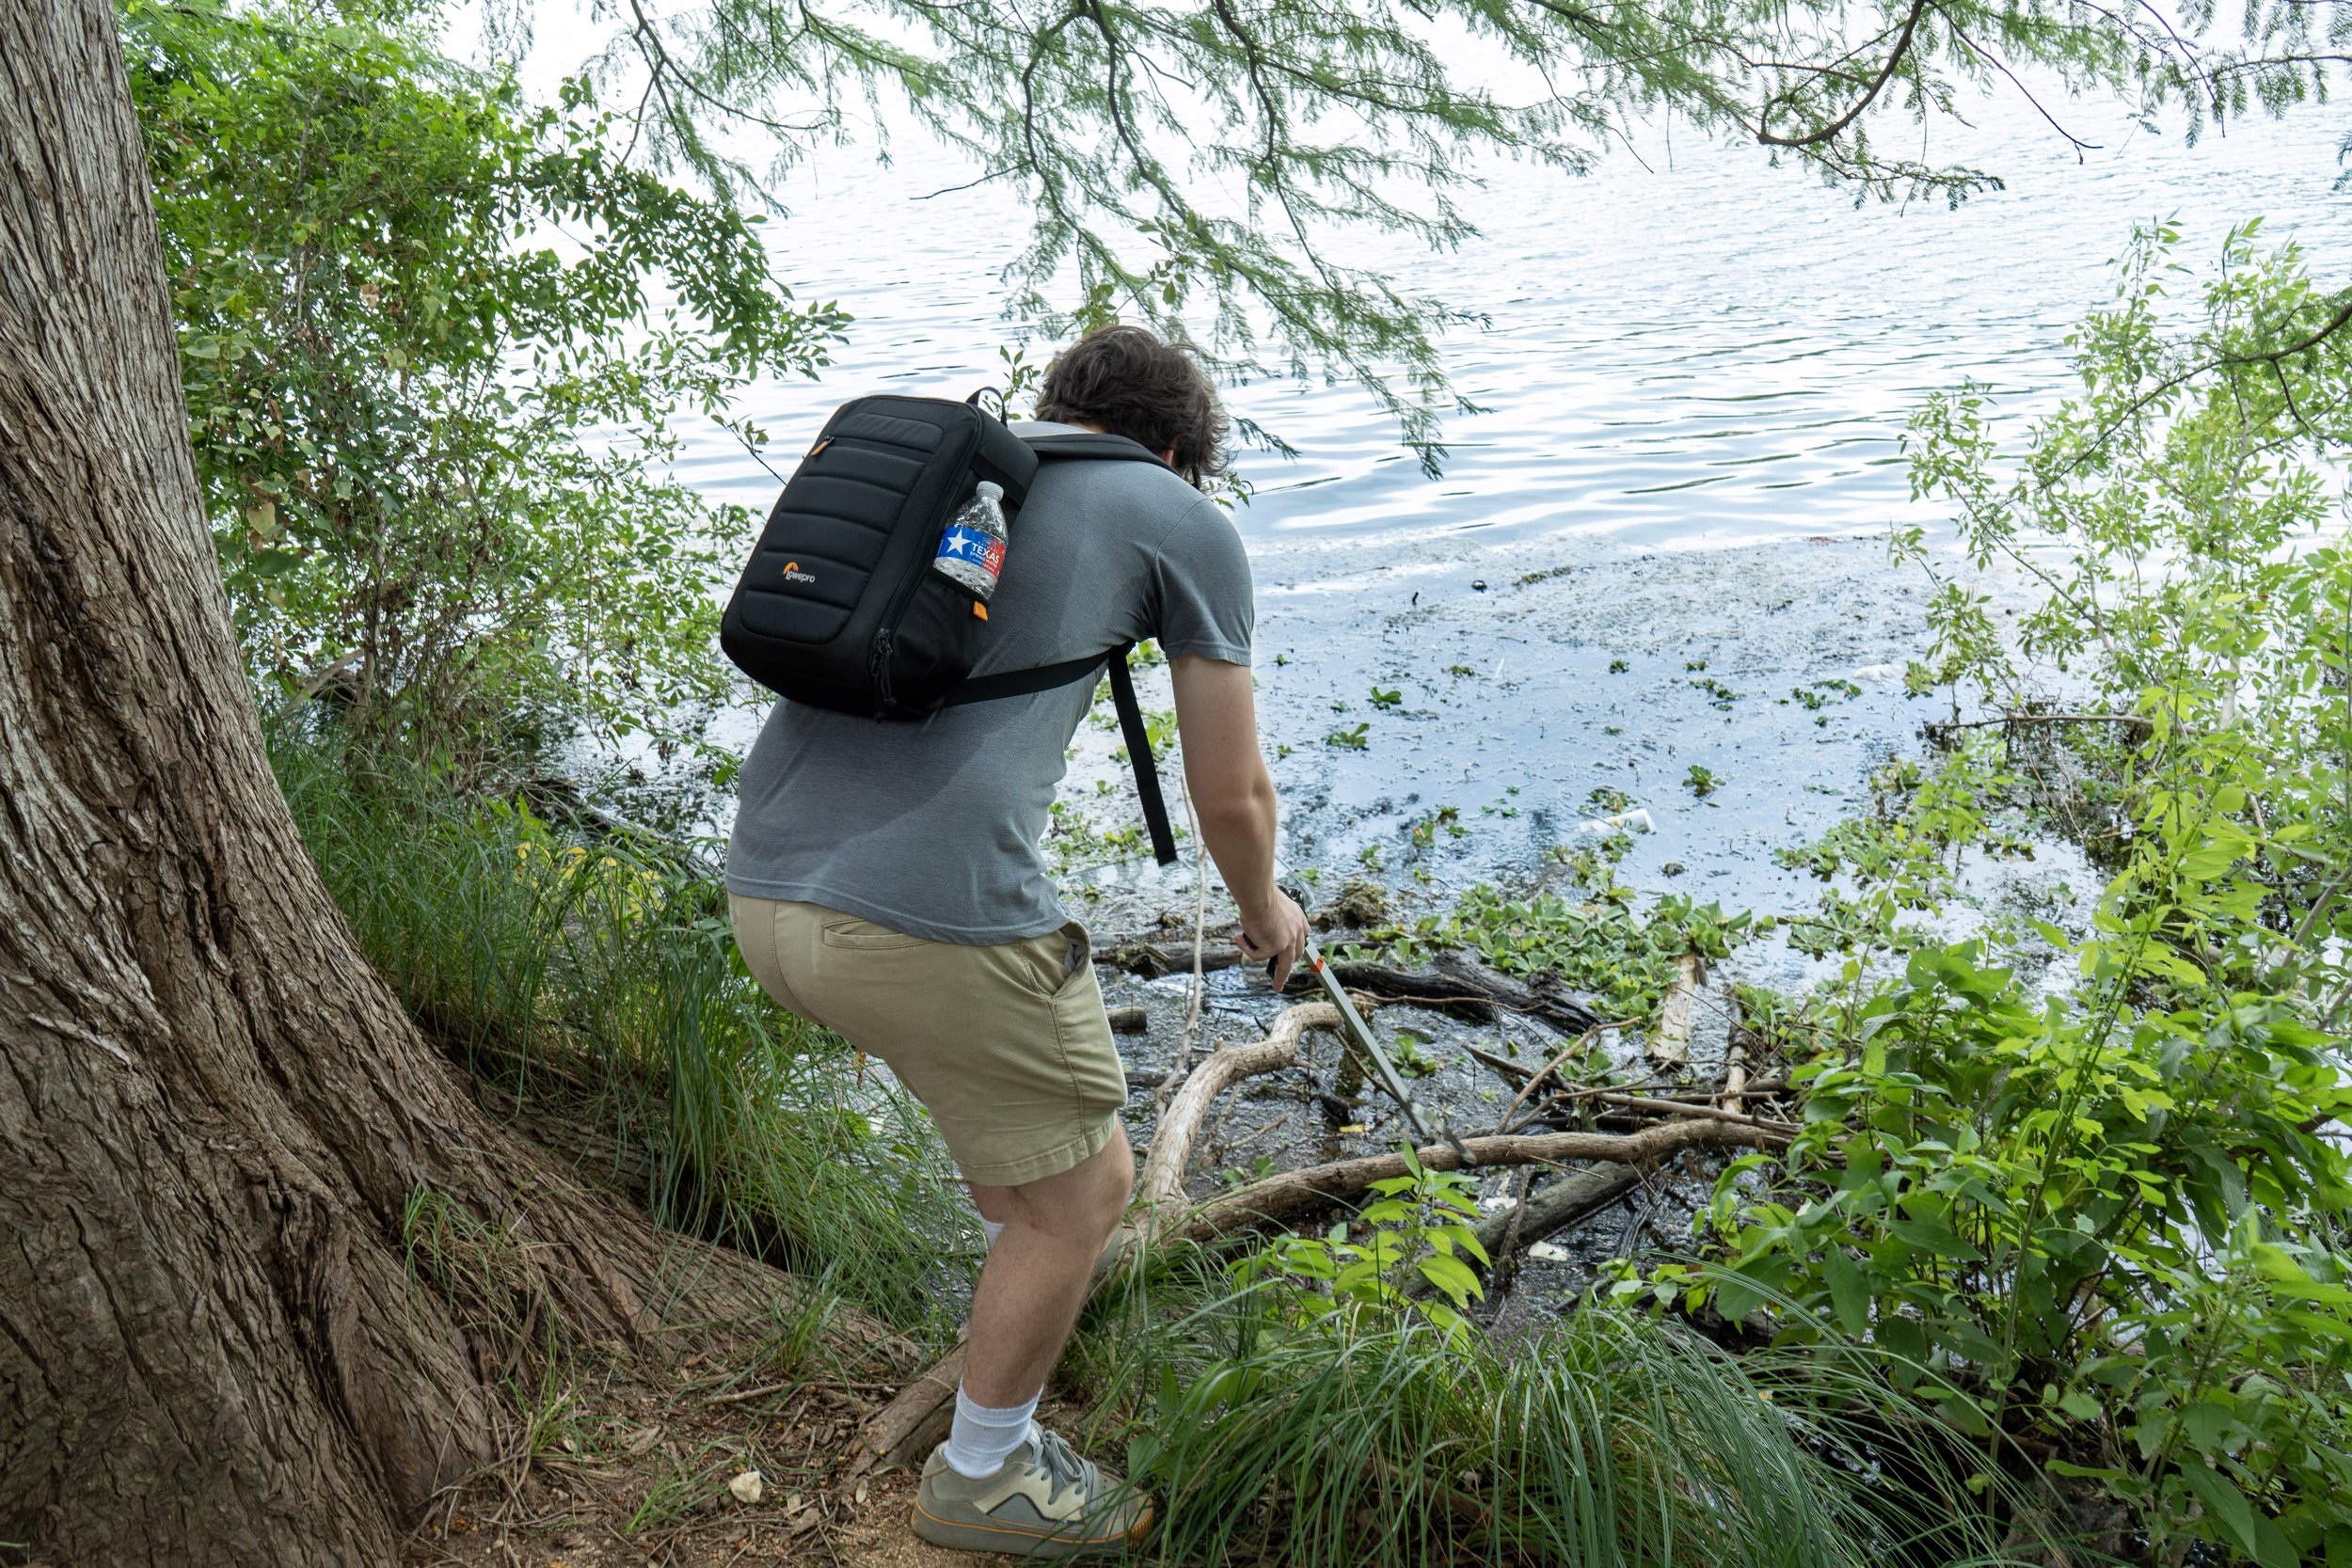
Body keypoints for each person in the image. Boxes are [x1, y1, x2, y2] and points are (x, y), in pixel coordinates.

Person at [725, 324, 1310, 1558]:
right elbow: (1232, 797)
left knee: (1022, 1175)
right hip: (919, 922)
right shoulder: (1175, 514)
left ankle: (1018, 1336)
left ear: (1060, 409)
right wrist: (1267, 913)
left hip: (768, 899)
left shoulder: (978, 478)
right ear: (1176, 450)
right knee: (1088, 1189)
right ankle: (983, 1476)